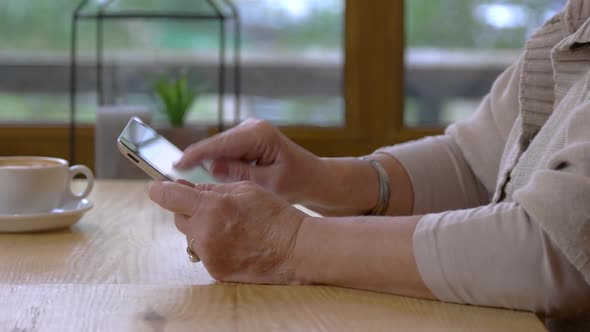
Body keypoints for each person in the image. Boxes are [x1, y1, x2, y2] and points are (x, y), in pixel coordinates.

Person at [149, 0, 590, 330]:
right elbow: (476, 163)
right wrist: (326, 179)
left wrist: (287, 244)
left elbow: (562, 248)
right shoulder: (574, 21)